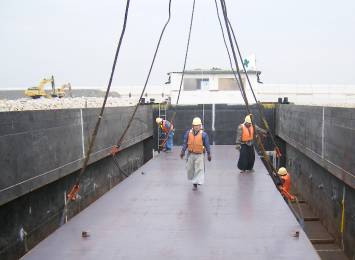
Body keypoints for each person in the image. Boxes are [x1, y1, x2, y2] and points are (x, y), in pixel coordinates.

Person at [180, 117, 211, 190]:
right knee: (190, 169)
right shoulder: (188, 133)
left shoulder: (204, 134)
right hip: (191, 154)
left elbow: (207, 145)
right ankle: (193, 179)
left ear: (200, 126)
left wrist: (209, 154)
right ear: (193, 126)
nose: (196, 127)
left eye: (198, 125)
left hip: (200, 154)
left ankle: (195, 183)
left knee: (198, 168)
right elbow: (185, 142)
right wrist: (183, 151)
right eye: (195, 125)